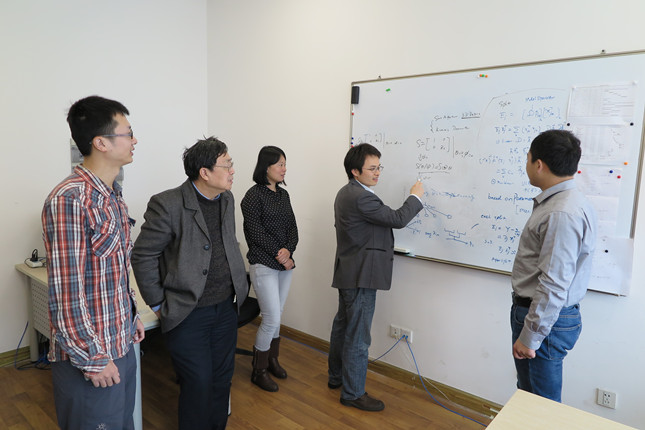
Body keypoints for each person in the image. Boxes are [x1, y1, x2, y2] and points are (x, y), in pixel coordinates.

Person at [42, 95, 145, 430]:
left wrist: (131, 316)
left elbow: (112, 271)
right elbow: (67, 294)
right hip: (92, 357)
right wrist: (93, 358)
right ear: (101, 143)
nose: (134, 140)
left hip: (120, 342)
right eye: (128, 133)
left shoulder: (113, 195)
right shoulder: (70, 199)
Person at [131, 137, 249, 430]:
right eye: (227, 165)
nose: (233, 170)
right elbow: (143, 255)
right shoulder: (168, 204)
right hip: (188, 311)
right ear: (204, 172)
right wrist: (157, 304)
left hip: (226, 306)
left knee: (221, 381)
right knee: (198, 384)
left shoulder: (227, 199)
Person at [328, 143, 424, 412]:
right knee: (358, 337)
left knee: (343, 328)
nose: (378, 172)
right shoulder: (361, 197)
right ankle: (352, 393)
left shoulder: (346, 192)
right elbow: (398, 218)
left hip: (349, 271)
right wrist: (415, 196)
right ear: (355, 171)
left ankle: (336, 377)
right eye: (372, 168)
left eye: (379, 167)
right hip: (361, 275)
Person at [511, 129, 597, 402]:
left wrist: (530, 337)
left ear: (538, 164)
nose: (526, 165)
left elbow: (554, 283)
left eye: (527, 159)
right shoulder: (564, 203)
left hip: (544, 319)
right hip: (543, 316)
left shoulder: (561, 212)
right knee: (530, 398)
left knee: (540, 404)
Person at [241, 146, 298, 392]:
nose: (284, 169)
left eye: (285, 164)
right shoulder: (252, 196)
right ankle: (259, 370)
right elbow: (256, 233)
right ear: (266, 167)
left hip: (285, 264)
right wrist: (281, 255)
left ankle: (272, 360)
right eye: (280, 164)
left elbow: (293, 228)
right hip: (263, 263)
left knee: (278, 314)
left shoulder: (283, 195)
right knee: (271, 317)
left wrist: (289, 250)